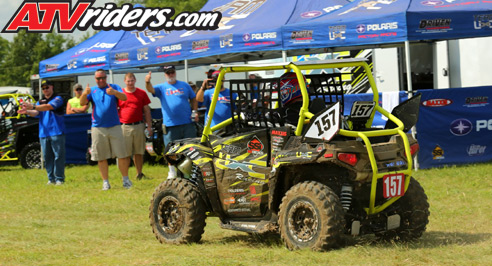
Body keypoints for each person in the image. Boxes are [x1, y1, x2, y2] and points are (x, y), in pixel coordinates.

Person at [80, 69, 131, 191]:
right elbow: (82, 102)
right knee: (101, 157)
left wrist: (114, 93)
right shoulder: (92, 90)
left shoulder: (114, 87)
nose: (101, 80)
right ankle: (106, 182)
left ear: (106, 77)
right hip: (98, 127)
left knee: (122, 155)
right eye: (98, 78)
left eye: (103, 78)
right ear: (95, 79)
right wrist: (84, 93)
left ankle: (126, 180)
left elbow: (124, 98)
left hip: (115, 126)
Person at [145, 65, 198, 179]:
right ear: (165, 74)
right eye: (168, 73)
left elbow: (193, 98)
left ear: (175, 72)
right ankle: (172, 171)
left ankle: (190, 171)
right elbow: (150, 89)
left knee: (190, 147)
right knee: (171, 150)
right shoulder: (162, 87)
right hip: (170, 125)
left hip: (187, 123)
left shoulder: (184, 85)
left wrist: (195, 112)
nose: (170, 75)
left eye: (172, 72)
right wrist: (147, 82)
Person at [18, 80, 66, 185]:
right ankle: (51, 179)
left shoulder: (58, 98)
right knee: (47, 157)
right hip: (44, 133)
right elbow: (36, 112)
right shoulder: (40, 101)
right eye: (43, 88)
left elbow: (49, 107)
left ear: (52, 87)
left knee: (58, 156)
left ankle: (59, 179)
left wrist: (33, 106)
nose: (45, 90)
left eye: (47, 87)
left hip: (56, 132)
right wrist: (27, 111)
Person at [118, 73, 152, 180]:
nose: (130, 83)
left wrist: (149, 126)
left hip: (138, 125)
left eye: (132, 81)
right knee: (125, 153)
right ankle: (125, 176)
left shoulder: (141, 93)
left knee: (139, 152)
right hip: (124, 127)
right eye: (128, 81)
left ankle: (139, 174)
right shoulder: (120, 94)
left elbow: (146, 110)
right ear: (124, 81)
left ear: (135, 80)